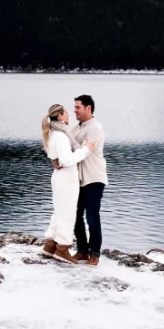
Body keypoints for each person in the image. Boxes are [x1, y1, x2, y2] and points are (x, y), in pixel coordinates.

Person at [40, 103, 95, 264]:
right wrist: (86, 150)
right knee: (67, 213)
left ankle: (50, 244)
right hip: (66, 178)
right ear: (59, 116)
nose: (69, 115)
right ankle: (63, 248)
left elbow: (58, 159)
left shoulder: (54, 133)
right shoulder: (61, 136)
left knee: (59, 211)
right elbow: (67, 160)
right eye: (66, 113)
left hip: (59, 176)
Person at [71, 94, 106, 266]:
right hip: (78, 180)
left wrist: (74, 147)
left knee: (92, 216)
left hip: (94, 179)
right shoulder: (77, 128)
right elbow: (68, 146)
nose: (74, 110)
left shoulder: (95, 128)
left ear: (88, 108)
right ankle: (82, 251)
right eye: (75, 107)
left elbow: (83, 152)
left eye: (78, 107)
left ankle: (95, 253)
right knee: (75, 216)